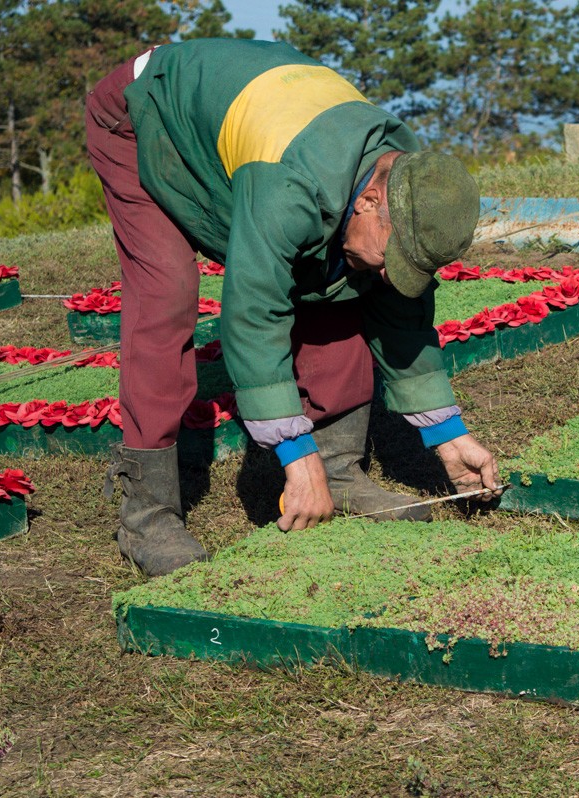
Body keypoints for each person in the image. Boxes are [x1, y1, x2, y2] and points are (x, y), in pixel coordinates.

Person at [85, 38, 503, 577]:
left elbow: (400, 306)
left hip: (256, 123)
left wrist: (448, 436)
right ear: (368, 202)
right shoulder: (289, 186)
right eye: (393, 256)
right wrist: (293, 455)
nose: (390, 272)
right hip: (150, 111)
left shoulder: (408, 178)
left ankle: (338, 467)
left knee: (349, 273)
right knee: (165, 292)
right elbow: (254, 309)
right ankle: (147, 513)